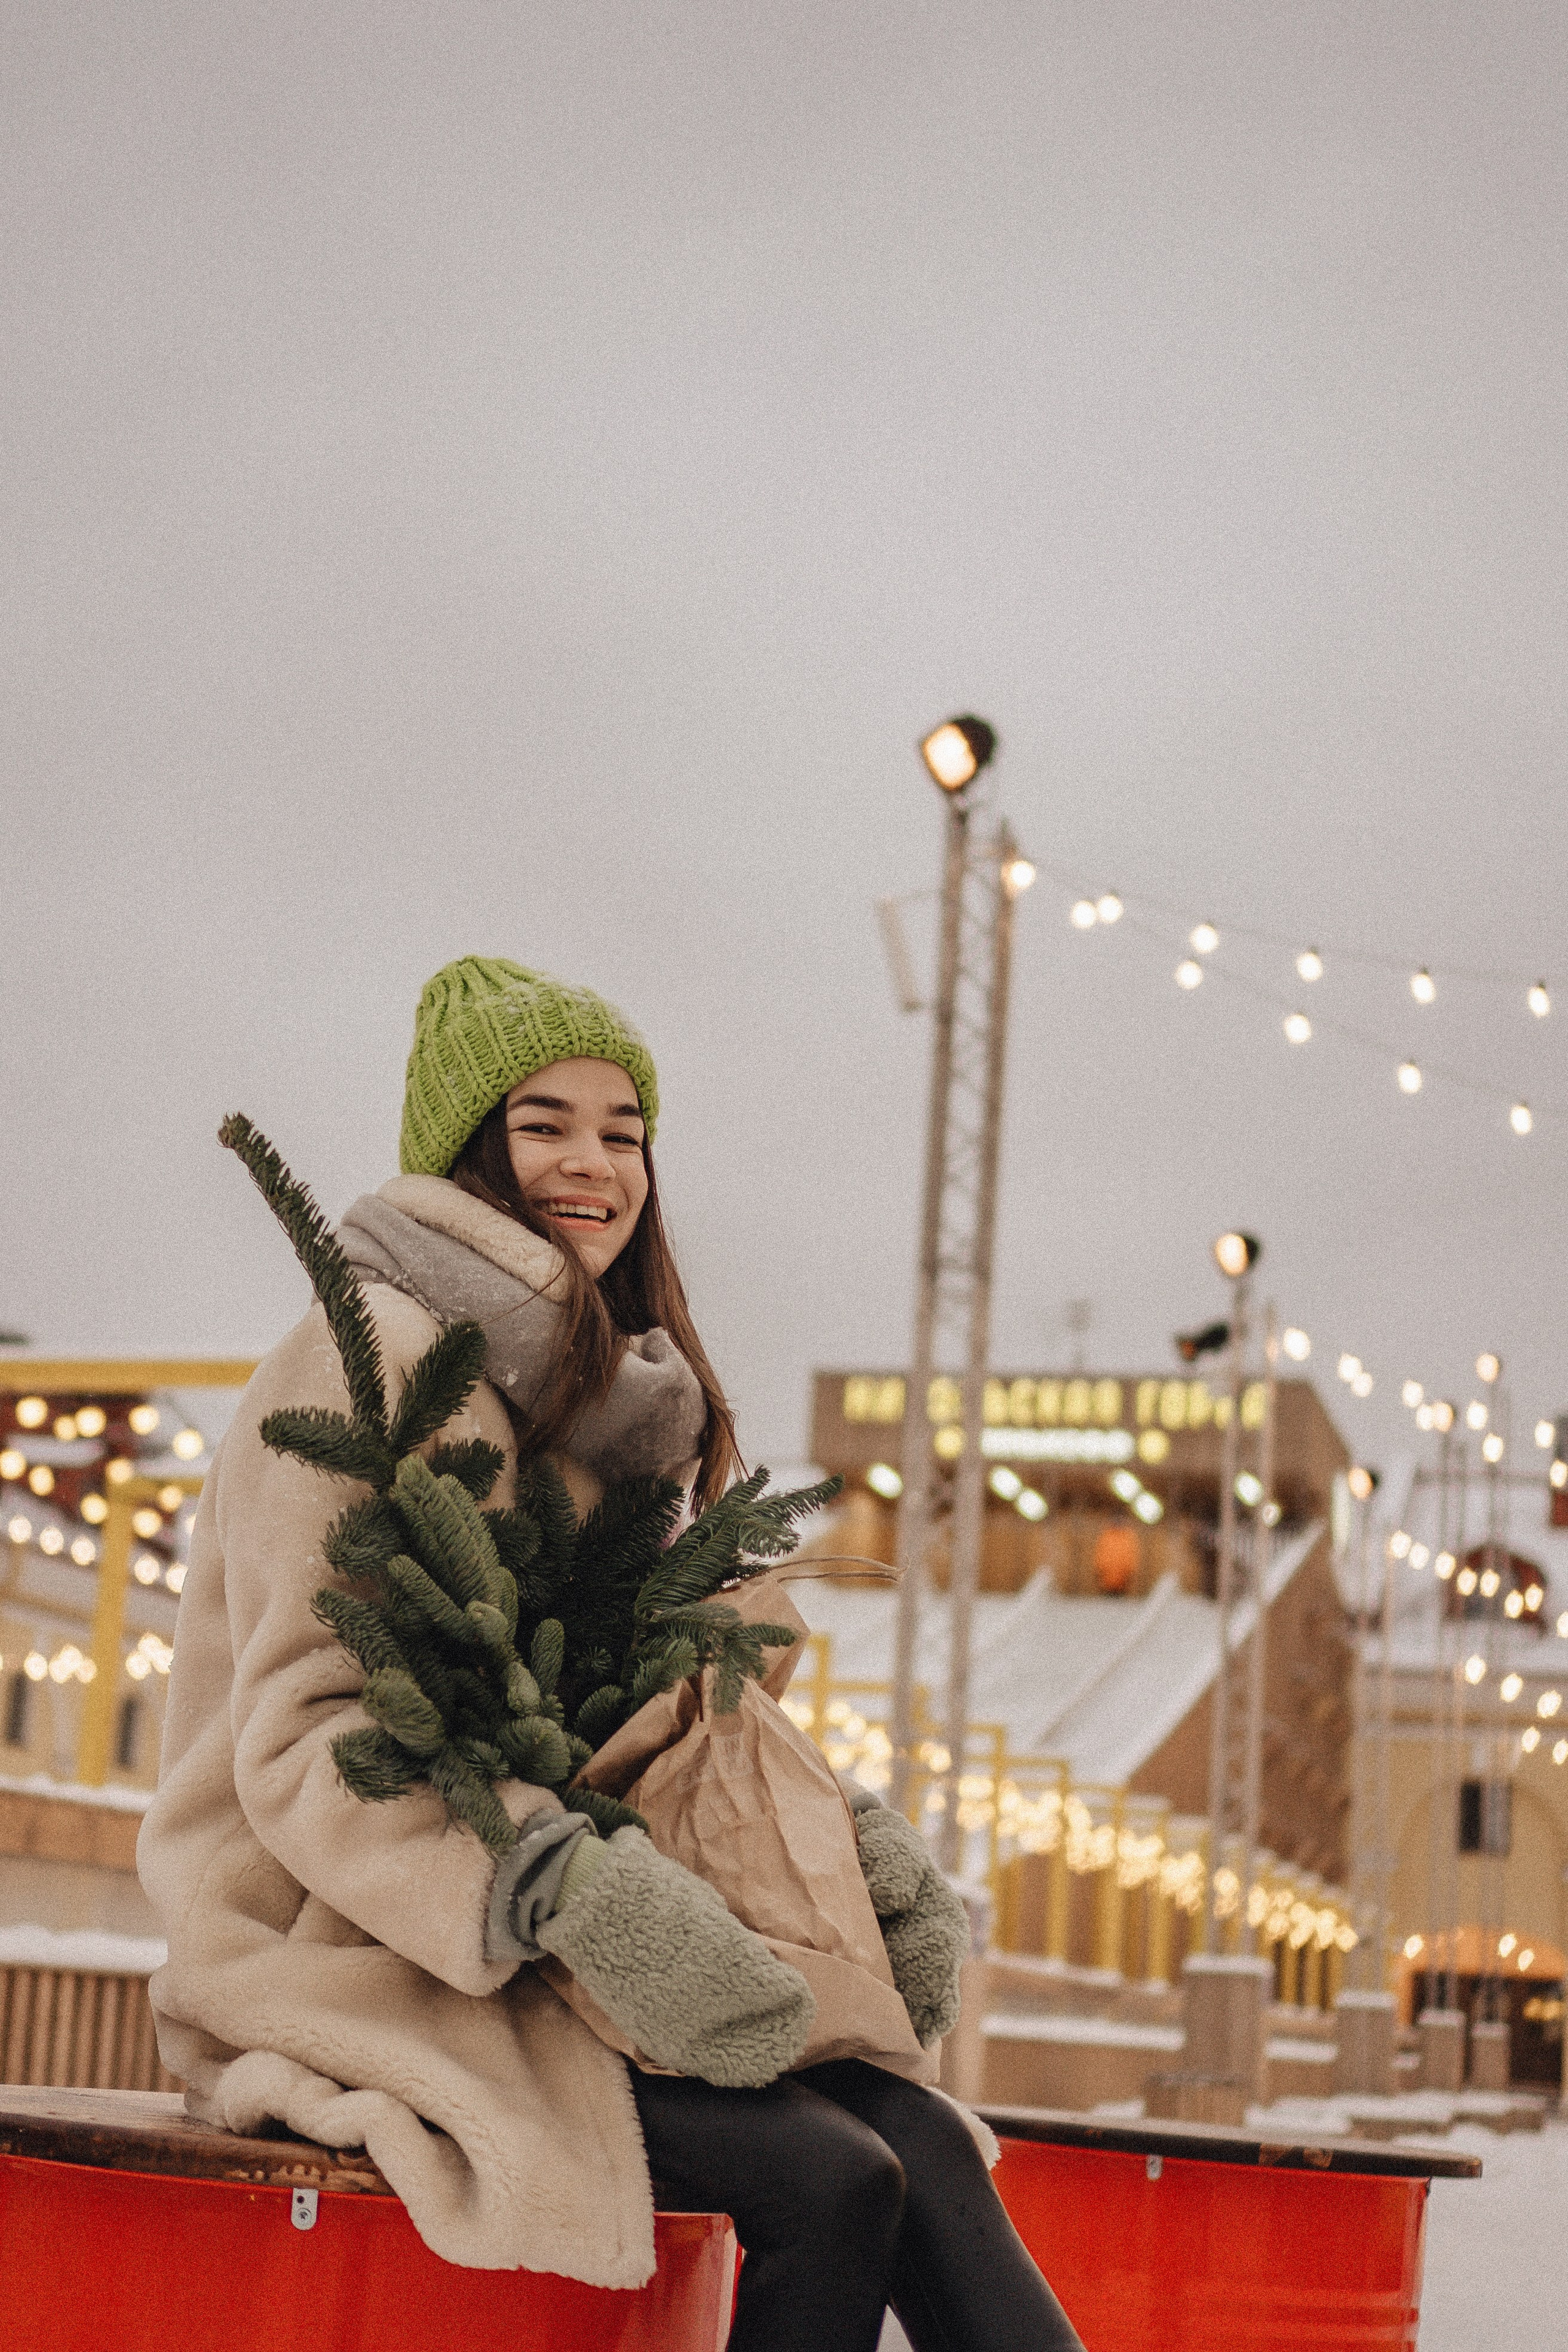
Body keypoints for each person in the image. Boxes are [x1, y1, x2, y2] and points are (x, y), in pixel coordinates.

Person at [138, 954, 1082, 2352]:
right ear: (469, 1151)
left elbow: (663, 1719)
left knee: (919, 2148)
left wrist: (860, 1854)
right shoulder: (369, 1361)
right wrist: (563, 1888)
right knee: (831, 2180)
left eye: (622, 1132)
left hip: (563, 1961)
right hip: (350, 1952)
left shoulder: (610, 1401)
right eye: (545, 1125)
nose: (593, 1164)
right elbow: (309, 1736)